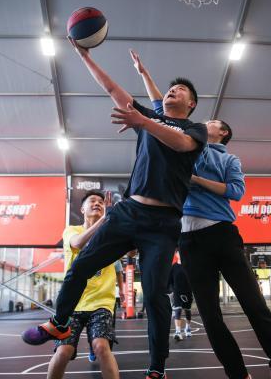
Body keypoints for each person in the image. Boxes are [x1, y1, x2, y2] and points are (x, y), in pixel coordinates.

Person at [23, 40, 207, 379]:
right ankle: (60, 322)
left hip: (163, 222)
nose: (173, 91)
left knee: (154, 294)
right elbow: (111, 88)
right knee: (80, 266)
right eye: (170, 88)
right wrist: (85, 56)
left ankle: (157, 367)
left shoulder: (194, 130)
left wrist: (144, 121)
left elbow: (180, 143)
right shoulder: (149, 117)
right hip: (128, 212)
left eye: (180, 90)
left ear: (191, 103)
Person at [132, 49, 271, 379]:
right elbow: (161, 108)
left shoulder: (227, 160)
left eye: (212, 123)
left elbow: (235, 192)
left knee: (254, 305)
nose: (206, 123)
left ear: (222, 133)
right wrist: (144, 73)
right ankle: (238, 374)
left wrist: (195, 180)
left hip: (221, 234)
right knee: (210, 316)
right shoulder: (184, 141)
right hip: (188, 239)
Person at [47, 190, 120, 379]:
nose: (97, 203)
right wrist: (105, 219)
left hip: (102, 302)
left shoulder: (111, 235)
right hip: (73, 302)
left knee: (101, 347)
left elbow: (130, 253)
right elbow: (78, 243)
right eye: (92, 201)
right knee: (64, 351)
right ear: (82, 209)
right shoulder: (71, 230)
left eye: (101, 202)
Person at [88, 259, 125, 363]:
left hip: (108, 299)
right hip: (91, 298)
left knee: (110, 327)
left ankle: (108, 351)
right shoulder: (91, 253)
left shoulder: (115, 258)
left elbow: (119, 274)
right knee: (91, 325)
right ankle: (92, 350)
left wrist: (121, 291)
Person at [168, 252, 193, 341]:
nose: (180, 254)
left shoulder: (189, 266)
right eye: (178, 253)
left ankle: (188, 328)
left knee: (187, 311)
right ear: (176, 254)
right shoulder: (173, 267)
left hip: (188, 291)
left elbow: (194, 279)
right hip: (177, 292)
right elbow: (169, 281)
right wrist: (172, 291)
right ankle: (178, 332)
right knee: (177, 310)